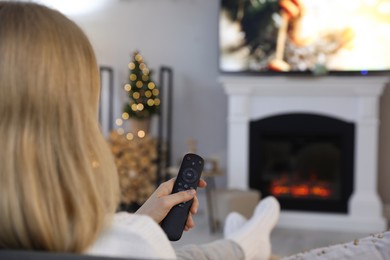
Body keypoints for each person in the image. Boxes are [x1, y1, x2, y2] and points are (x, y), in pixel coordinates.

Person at [0, 2, 280, 260]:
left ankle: (244, 240)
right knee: (195, 256)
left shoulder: (124, 237)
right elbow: (125, 244)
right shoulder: (131, 243)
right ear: (74, 125)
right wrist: (138, 229)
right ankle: (249, 242)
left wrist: (142, 219)